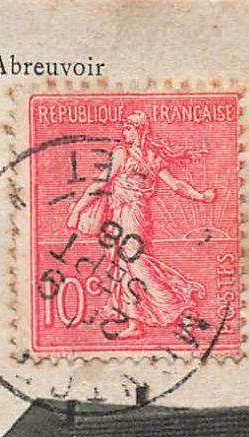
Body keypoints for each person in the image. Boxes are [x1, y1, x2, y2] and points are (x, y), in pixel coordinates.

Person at [65, 110, 217, 341]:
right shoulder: (122, 154)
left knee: (134, 262)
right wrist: (79, 207)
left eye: (129, 128)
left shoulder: (150, 158)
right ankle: (134, 321)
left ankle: (177, 304)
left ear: (140, 130)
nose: (125, 132)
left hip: (134, 214)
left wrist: (200, 196)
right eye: (124, 128)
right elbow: (101, 183)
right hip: (117, 213)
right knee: (125, 266)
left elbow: (175, 184)